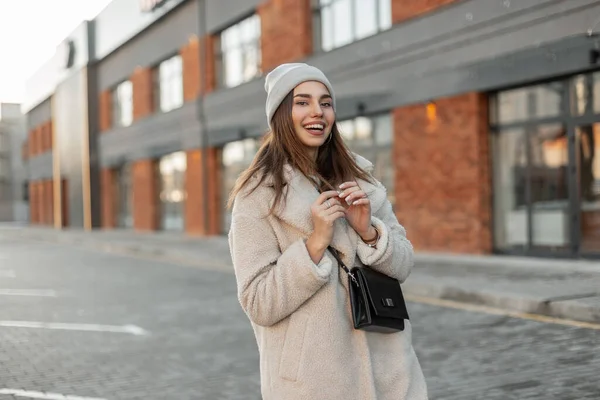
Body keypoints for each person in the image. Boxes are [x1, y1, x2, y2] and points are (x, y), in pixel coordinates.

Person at [227, 63, 428, 400]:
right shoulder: (257, 195)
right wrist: (315, 244)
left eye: (325, 102)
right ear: (280, 113)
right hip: (314, 383)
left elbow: (404, 265)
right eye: (302, 102)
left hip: (391, 373)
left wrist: (369, 233)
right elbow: (258, 302)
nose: (316, 112)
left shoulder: (361, 180)